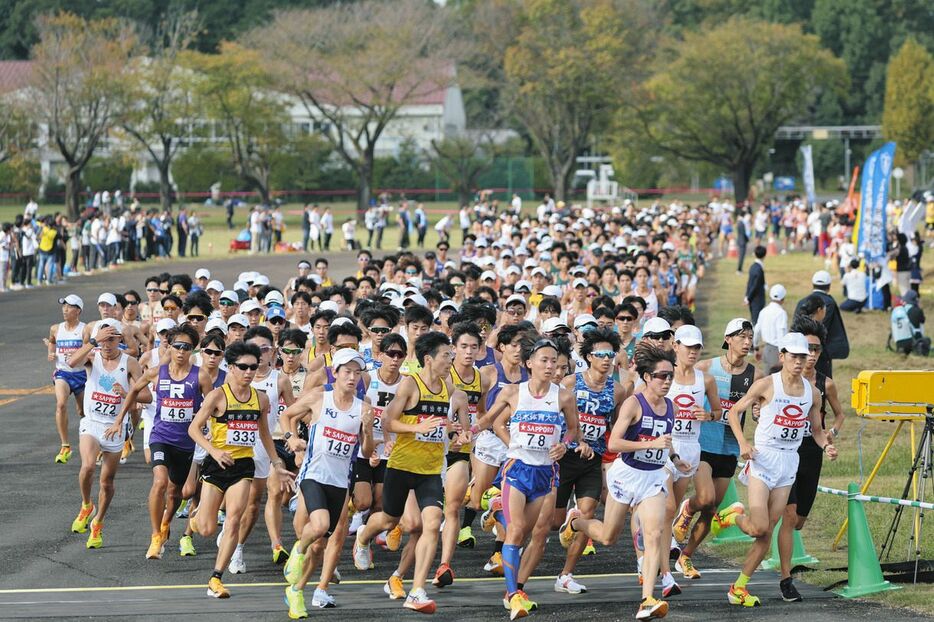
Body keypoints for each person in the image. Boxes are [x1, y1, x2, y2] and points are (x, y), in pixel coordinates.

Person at [561, 343, 687, 620]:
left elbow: (666, 439)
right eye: (661, 376)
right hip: (627, 475)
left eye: (670, 376)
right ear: (647, 377)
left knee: (653, 535)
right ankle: (576, 522)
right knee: (608, 536)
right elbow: (615, 442)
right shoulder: (633, 403)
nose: (667, 381)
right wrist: (650, 443)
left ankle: (647, 600)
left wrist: (675, 457)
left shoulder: (671, 406)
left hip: (653, 477)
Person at [352, 332, 469, 614]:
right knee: (390, 518)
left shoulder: (447, 387)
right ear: (428, 359)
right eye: (446, 356)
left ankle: (417, 591)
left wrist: (455, 433)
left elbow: (443, 422)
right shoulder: (410, 385)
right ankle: (363, 538)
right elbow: (388, 420)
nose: (450, 360)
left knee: (431, 523)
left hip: (429, 470)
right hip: (401, 466)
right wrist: (415, 428)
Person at [723, 332, 838, 607]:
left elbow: (817, 431)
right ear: (783, 356)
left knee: (766, 532)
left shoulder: (813, 393)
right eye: (795, 356)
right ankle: (731, 516)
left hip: (789, 462)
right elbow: (733, 412)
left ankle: (738, 587)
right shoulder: (766, 385)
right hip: (763, 459)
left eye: (804, 356)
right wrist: (743, 443)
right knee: (758, 527)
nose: (800, 361)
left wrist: (826, 447)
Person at [484, 336, 589, 619]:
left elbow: (572, 429)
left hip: (545, 472)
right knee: (517, 531)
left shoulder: (564, 396)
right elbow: (490, 420)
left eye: (554, 361)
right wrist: (467, 433)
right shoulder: (513, 392)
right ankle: (513, 596)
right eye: (544, 360)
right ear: (529, 363)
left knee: (523, 532)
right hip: (517, 468)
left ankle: (498, 515)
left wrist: (564, 444)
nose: (550, 366)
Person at [187, 341, 294, 599]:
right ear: (231, 367)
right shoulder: (217, 396)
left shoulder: (261, 398)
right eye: (243, 367)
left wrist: (277, 464)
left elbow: (265, 434)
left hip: (243, 466)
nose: (248, 372)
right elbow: (193, 429)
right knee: (206, 529)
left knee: (234, 519)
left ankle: (216, 578)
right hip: (218, 464)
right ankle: (195, 517)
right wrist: (213, 451)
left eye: (253, 367)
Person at [281, 349, 376, 619]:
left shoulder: (364, 408)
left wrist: (368, 431)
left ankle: (296, 591)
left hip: (339, 482)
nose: (352, 377)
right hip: (313, 474)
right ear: (335, 373)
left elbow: (366, 452)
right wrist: (291, 438)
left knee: (320, 545)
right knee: (320, 526)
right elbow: (287, 415)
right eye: (347, 371)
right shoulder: (318, 399)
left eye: (357, 373)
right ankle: (297, 551)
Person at [114, 324, 214, 560]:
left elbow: (212, 406)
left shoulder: (200, 376)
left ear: (193, 349)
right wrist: (119, 420)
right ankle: (155, 535)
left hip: (186, 442)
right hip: (160, 437)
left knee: (175, 492)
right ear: (169, 346)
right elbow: (133, 391)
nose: (181, 351)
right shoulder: (157, 371)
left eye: (187, 347)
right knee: (160, 482)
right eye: (177, 346)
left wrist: (211, 430)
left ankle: (166, 524)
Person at [777, 316, 845, 601]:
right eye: (807, 349)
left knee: (799, 521)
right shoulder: (779, 379)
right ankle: (785, 577)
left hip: (811, 451)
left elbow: (840, 415)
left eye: (816, 349)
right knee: (789, 516)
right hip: (784, 451)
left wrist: (831, 436)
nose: (811, 355)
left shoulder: (824, 385)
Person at [555, 328, 627, 594]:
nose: (607, 360)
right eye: (601, 354)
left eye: (611, 354)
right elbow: (556, 417)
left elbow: (618, 426)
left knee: (588, 513)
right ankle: (567, 521)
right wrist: (574, 441)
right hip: (564, 457)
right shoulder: (571, 383)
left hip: (592, 461)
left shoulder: (618, 391)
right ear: (588, 357)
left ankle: (566, 575)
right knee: (552, 522)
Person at [67, 319, 148, 547]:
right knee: (88, 466)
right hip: (92, 423)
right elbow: (72, 362)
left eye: (111, 338)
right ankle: (86, 505)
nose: (106, 344)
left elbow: (147, 397)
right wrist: (93, 341)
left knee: (106, 483)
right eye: (103, 339)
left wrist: (127, 392)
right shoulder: (92, 357)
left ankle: (98, 523)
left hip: (115, 426)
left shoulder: (130, 363)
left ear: (120, 340)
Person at [47, 294, 88, 464]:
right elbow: (52, 341)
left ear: (78, 310)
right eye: (63, 306)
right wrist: (50, 351)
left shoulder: (85, 329)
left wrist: (78, 355)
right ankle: (65, 446)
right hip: (62, 373)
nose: (65, 309)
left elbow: (89, 350)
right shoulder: (56, 328)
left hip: (81, 374)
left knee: (83, 412)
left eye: (69, 306)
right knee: (61, 404)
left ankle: (92, 444)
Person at [794, 271, 848, 378]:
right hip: (820, 353)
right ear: (829, 286)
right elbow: (823, 328)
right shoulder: (828, 302)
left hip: (800, 351)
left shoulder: (802, 302)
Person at [753, 284, 788, 374]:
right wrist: (782, 353)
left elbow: (757, 330)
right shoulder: (781, 313)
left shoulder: (764, 311)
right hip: (776, 350)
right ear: (783, 298)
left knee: (767, 379)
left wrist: (756, 347)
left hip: (766, 349)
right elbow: (781, 334)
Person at [891, 290, 929, 356]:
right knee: (927, 340)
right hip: (911, 342)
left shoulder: (898, 310)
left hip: (898, 343)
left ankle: (902, 350)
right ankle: (917, 350)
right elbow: (922, 320)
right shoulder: (916, 310)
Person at [744, 246, 766, 324]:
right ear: (764, 255)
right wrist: (749, 297)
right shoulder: (759, 269)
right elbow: (755, 285)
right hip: (757, 299)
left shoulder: (753, 267)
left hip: (752, 298)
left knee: (754, 319)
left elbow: (749, 282)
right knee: (756, 322)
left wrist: (747, 296)